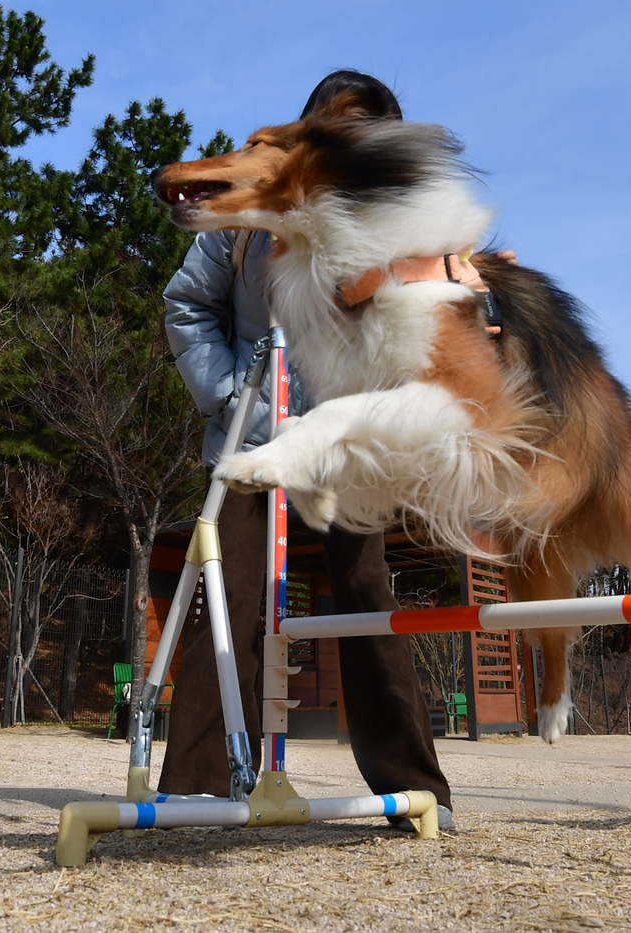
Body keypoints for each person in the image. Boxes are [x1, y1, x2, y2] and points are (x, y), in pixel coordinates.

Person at [161, 71, 453, 831]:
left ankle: (416, 789)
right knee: (233, 597)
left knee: (367, 597)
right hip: (253, 434)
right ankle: (199, 783)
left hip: (347, 446)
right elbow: (185, 305)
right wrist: (233, 397)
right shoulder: (247, 213)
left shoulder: (394, 223)